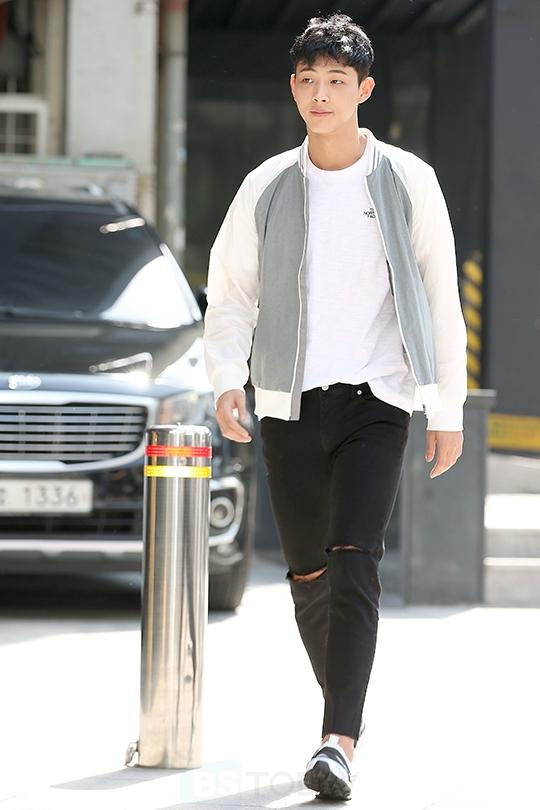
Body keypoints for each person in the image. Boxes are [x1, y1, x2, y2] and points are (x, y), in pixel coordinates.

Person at [203, 12, 467, 801]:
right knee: (310, 573)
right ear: (293, 88)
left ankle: (336, 740)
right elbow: (232, 291)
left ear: (364, 90)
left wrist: (444, 406)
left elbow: (440, 295)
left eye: (337, 81)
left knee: (356, 557)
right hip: (288, 400)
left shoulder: (408, 180)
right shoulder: (267, 186)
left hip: (376, 398)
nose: (321, 94)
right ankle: (347, 706)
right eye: (309, 80)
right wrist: (227, 377)